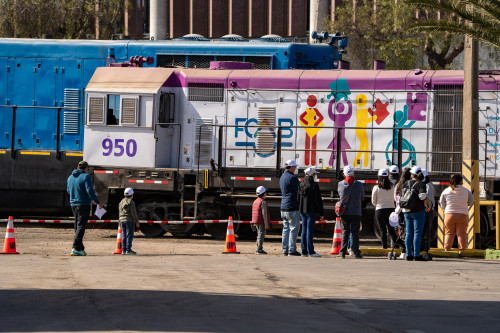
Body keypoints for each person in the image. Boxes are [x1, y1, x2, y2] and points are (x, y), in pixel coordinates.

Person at [67, 161, 102, 256]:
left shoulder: (70, 177)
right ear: (86, 168)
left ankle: (80, 247)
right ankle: (75, 247)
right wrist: (98, 202)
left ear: (78, 167)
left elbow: (68, 190)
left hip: (73, 204)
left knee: (77, 225)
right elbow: (90, 191)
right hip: (83, 204)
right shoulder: (86, 177)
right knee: (81, 226)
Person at [401, 166, 430, 261]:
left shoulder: (405, 183)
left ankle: (409, 255)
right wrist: (427, 201)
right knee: (417, 233)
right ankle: (416, 255)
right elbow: (422, 196)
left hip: (407, 211)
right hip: (418, 211)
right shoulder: (420, 184)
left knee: (409, 232)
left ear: (412, 174)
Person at [439, 174, 474, 252]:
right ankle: (462, 250)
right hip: (463, 214)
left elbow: (442, 202)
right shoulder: (466, 190)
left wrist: (445, 210)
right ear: (461, 181)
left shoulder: (446, 190)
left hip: (449, 215)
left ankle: (447, 249)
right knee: (462, 234)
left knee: (449, 233)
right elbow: (471, 201)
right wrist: (465, 204)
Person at [337, 165, 364, 259]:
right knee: (355, 233)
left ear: (344, 174)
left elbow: (340, 196)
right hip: (356, 212)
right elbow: (362, 196)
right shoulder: (359, 184)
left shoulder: (341, 184)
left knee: (345, 232)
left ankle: (342, 253)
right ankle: (356, 252)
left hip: (345, 212)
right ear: (353, 173)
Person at [298, 167, 324, 257]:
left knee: (303, 231)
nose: (315, 175)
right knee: (309, 231)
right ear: (312, 175)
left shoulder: (301, 184)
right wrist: (321, 213)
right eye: (315, 174)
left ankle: (304, 251)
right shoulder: (314, 185)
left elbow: (298, 198)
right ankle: (311, 252)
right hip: (311, 211)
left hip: (302, 210)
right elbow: (318, 200)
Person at [372, 169, 397, 249]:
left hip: (380, 210)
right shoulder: (392, 186)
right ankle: (396, 247)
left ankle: (384, 247)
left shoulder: (376, 188)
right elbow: (394, 199)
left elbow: (373, 201)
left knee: (382, 230)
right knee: (391, 230)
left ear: (379, 177)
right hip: (391, 210)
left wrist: (379, 205)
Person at [280, 160, 301, 256]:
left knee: (286, 229)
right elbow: (300, 190)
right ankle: (291, 250)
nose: (296, 169)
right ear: (291, 167)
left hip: (284, 206)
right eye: (295, 167)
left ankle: (285, 249)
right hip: (292, 206)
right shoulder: (292, 178)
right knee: (293, 229)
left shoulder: (282, 177)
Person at [119, 188, 140, 255]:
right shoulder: (131, 202)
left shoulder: (121, 202)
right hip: (129, 220)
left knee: (123, 235)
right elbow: (133, 213)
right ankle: (128, 250)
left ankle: (123, 250)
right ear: (132, 194)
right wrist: (136, 221)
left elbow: (119, 212)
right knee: (129, 235)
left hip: (122, 220)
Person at [251, 186, 270, 255]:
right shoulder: (263, 202)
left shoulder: (255, 201)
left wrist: (253, 222)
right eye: (265, 192)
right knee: (261, 235)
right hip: (261, 221)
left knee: (258, 235)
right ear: (263, 193)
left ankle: (258, 248)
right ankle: (259, 249)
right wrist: (266, 224)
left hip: (256, 220)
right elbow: (264, 214)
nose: (266, 194)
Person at [421, 169, 435, 253]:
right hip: (427, 210)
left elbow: (427, 199)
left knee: (426, 230)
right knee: (425, 230)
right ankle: (424, 247)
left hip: (427, 210)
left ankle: (426, 247)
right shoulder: (428, 185)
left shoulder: (428, 186)